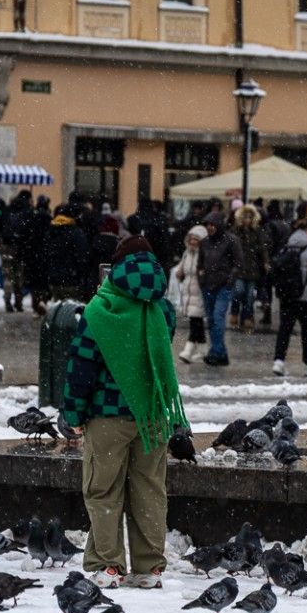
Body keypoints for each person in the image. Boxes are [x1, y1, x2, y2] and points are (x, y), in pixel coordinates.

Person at [62, 236, 193, 589]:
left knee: (103, 490)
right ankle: (149, 568)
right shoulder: (162, 310)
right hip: (152, 415)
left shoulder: (99, 310)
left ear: (116, 269)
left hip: (107, 416)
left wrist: (72, 413)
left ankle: (108, 566)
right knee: (149, 489)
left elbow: (81, 369)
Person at [270, 217, 307, 376]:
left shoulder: (287, 247)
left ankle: (279, 361)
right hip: (306, 297)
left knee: (285, 328)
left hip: (288, 295)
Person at [196, 210, 243, 367]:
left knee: (217, 317)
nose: (209, 227)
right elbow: (200, 263)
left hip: (223, 286)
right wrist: (201, 278)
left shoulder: (231, 241)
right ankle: (221, 354)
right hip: (208, 285)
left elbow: (238, 263)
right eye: (207, 224)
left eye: (212, 224)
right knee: (211, 320)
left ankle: (215, 352)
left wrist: (229, 280)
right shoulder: (204, 243)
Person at [171, 224, 207, 363]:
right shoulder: (187, 253)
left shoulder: (202, 255)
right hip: (188, 293)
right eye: (191, 239)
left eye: (196, 239)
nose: (192, 242)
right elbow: (181, 268)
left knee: (195, 322)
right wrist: (179, 273)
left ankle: (188, 350)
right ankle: (203, 350)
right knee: (195, 321)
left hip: (198, 292)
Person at [42, 205, 92, 303]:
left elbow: (45, 255)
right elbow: (83, 256)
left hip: (53, 279)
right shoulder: (76, 233)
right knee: (71, 310)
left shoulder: (51, 231)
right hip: (71, 280)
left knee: (58, 306)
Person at [230, 204, 268, 333]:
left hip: (252, 268)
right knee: (238, 291)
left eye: (250, 217)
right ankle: (235, 312)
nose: (247, 219)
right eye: (245, 217)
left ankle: (247, 317)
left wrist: (265, 262)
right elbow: (231, 247)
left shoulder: (257, 231)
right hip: (240, 268)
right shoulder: (236, 231)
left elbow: (263, 248)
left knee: (249, 296)